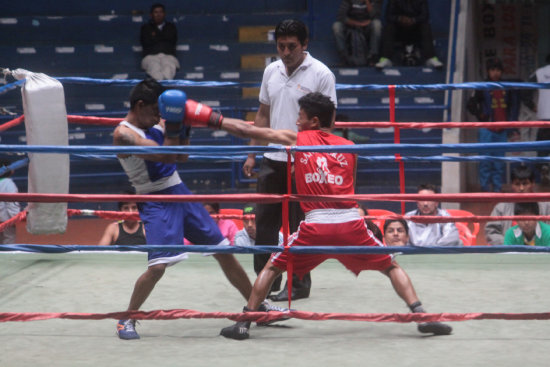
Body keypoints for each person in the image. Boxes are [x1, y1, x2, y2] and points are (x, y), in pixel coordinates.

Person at [165, 91, 451, 339]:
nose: (296, 121)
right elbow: (348, 184)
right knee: (391, 267)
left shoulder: (297, 139)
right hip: (351, 222)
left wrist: (206, 117)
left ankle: (245, 323)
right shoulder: (351, 148)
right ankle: (421, 314)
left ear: (313, 121)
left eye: (300, 116)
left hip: (316, 225)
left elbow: (250, 131)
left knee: (272, 267)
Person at [112, 79, 286, 340]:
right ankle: (127, 317)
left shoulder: (155, 124)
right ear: (140, 106)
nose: (159, 117)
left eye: (163, 113)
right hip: (154, 199)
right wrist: (173, 125)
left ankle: (256, 306)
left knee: (223, 251)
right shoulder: (123, 134)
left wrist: (184, 127)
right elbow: (165, 156)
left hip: (179, 191)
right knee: (158, 267)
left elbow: (180, 157)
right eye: (156, 112)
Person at [242, 19, 338, 302]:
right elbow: (262, 114)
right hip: (272, 158)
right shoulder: (271, 70)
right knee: (265, 225)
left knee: (298, 227)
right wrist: (251, 152)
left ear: (305, 44)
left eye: (291, 46)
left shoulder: (322, 74)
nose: (285, 52)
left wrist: (307, 156)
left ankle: (299, 284)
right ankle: (265, 284)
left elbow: (328, 125)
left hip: (305, 162)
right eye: (281, 46)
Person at [466, 58, 520, 192]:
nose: (495, 73)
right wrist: (480, 115)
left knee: (499, 161)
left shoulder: (507, 87)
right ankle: (485, 188)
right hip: (486, 129)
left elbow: (513, 107)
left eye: (498, 70)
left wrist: (512, 126)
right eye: (492, 70)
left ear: (501, 72)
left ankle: (497, 188)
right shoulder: (482, 87)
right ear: (488, 71)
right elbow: (470, 104)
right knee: (485, 161)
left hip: (502, 129)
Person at [485, 165, 550, 245]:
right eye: (517, 184)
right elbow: (491, 231)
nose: (521, 188)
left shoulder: (547, 207)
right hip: (509, 253)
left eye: (525, 184)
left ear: (533, 184)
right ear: (512, 185)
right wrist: (508, 244)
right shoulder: (501, 208)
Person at [375, 0, 443, 69]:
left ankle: (431, 58)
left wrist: (413, 20)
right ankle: (386, 58)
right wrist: (400, 19)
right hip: (399, 31)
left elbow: (425, 16)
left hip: (416, 30)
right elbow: (389, 16)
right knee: (389, 27)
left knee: (425, 26)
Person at [332, 0, 382, 66]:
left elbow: (375, 16)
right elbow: (341, 17)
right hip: (350, 27)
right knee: (337, 26)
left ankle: (372, 57)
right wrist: (359, 24)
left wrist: (367, 2)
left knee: (377, 24)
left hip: (367, 27)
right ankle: (344, 57)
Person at [140, 3, 179, 81]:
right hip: (150, 56)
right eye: (156, 12)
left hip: (168, 55)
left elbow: (171, 40)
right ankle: (160, 90)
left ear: (164, 14)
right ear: (151, 15)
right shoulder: (145, 28)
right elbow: (146, 42)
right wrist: (163, 38)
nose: (158, 14)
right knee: (154, 67)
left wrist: (155, 37)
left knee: (168, 67)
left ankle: (164, 89)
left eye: (161, 12)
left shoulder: (171, 27)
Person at [530, 54, 550, 181]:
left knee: (542, 148)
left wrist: (531, 105)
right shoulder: (540, 72)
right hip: (544, 118)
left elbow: (523, 90)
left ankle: (543, 168)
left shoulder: (540, 72)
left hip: (544, 117)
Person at [0, 160, 21, 244]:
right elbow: (12, 203)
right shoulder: (8, 183)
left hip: (4, 218)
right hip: (6, 219)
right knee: (9, 240)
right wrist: (14, 218)